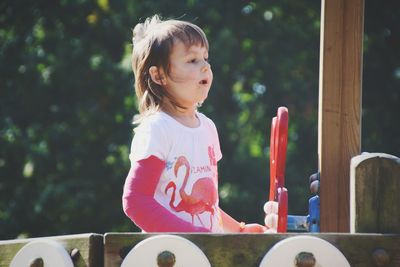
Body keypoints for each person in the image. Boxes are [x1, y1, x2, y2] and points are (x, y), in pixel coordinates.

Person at [122, 15, 266, 233]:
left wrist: (238, 230)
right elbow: (135, 201)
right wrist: (193, 237)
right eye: (192, 60)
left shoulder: (207, 127)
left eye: (206, 58)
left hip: (203, 253)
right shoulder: (157, 128)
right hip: (169, 256)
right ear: (159, 75)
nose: (205, 66)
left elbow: (208, 206)